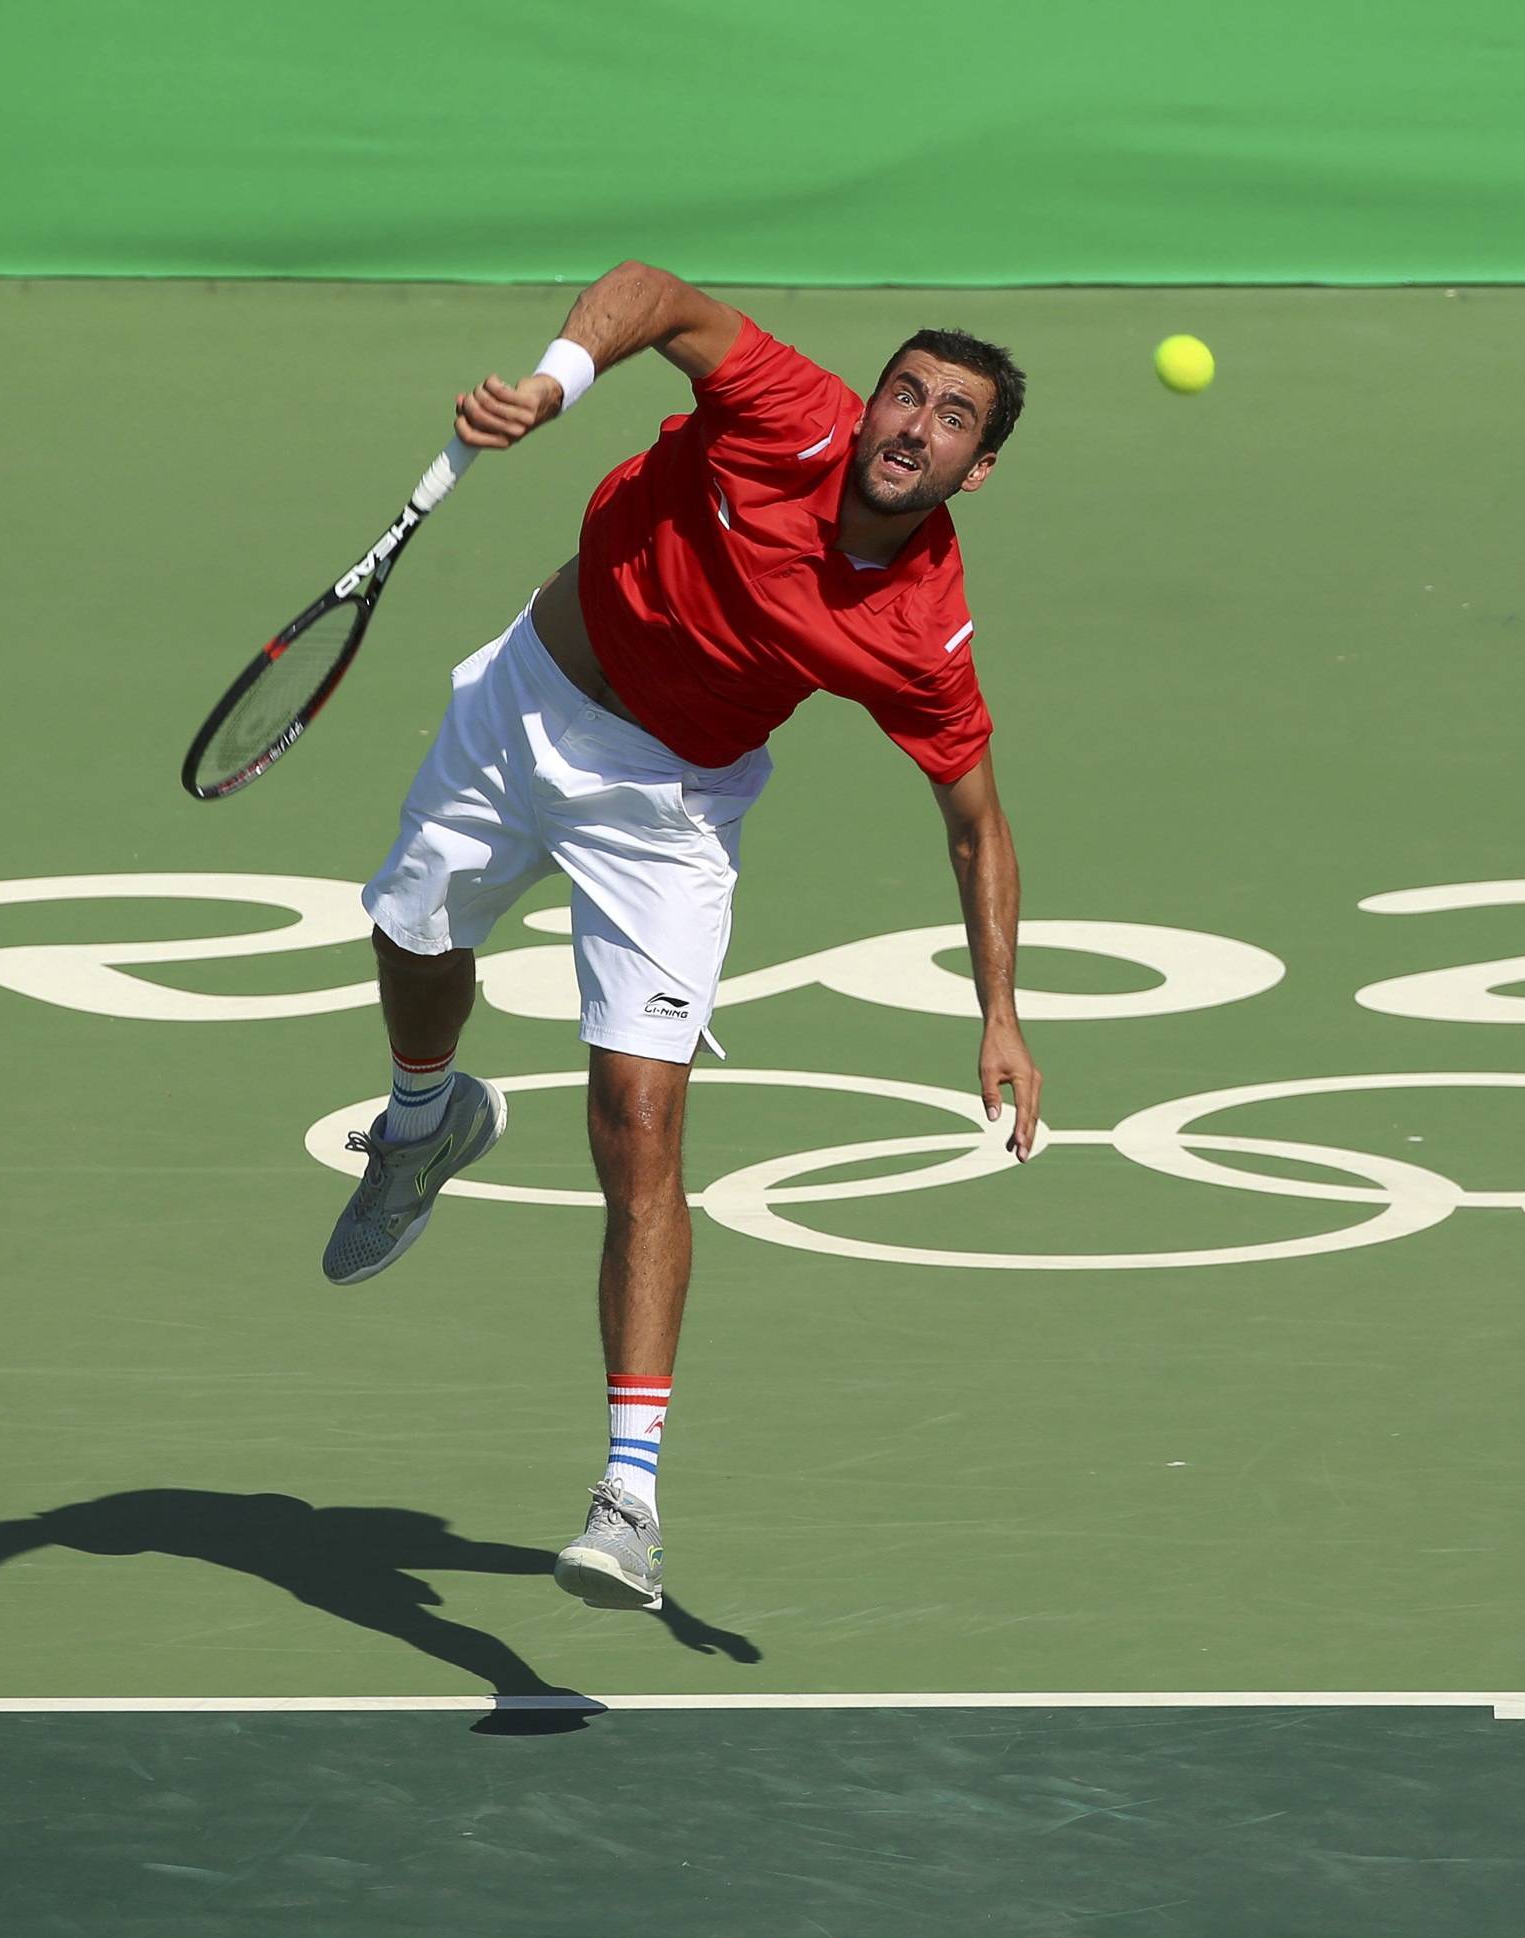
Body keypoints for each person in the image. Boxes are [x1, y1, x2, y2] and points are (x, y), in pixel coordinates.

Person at [323, 261, 1041, 1614]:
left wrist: (999, 1012)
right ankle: (426, 1118)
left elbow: (976, 822)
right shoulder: (787, 412)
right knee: (410, 939)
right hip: (525, 694)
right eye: (905, 390)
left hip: (669, 807)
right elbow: (654, 294)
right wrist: (554, 381)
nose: (912, 423)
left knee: (639, 1122)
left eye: (953, 417)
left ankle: (628, 1496)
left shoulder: (915, 630)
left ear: (975, 469)